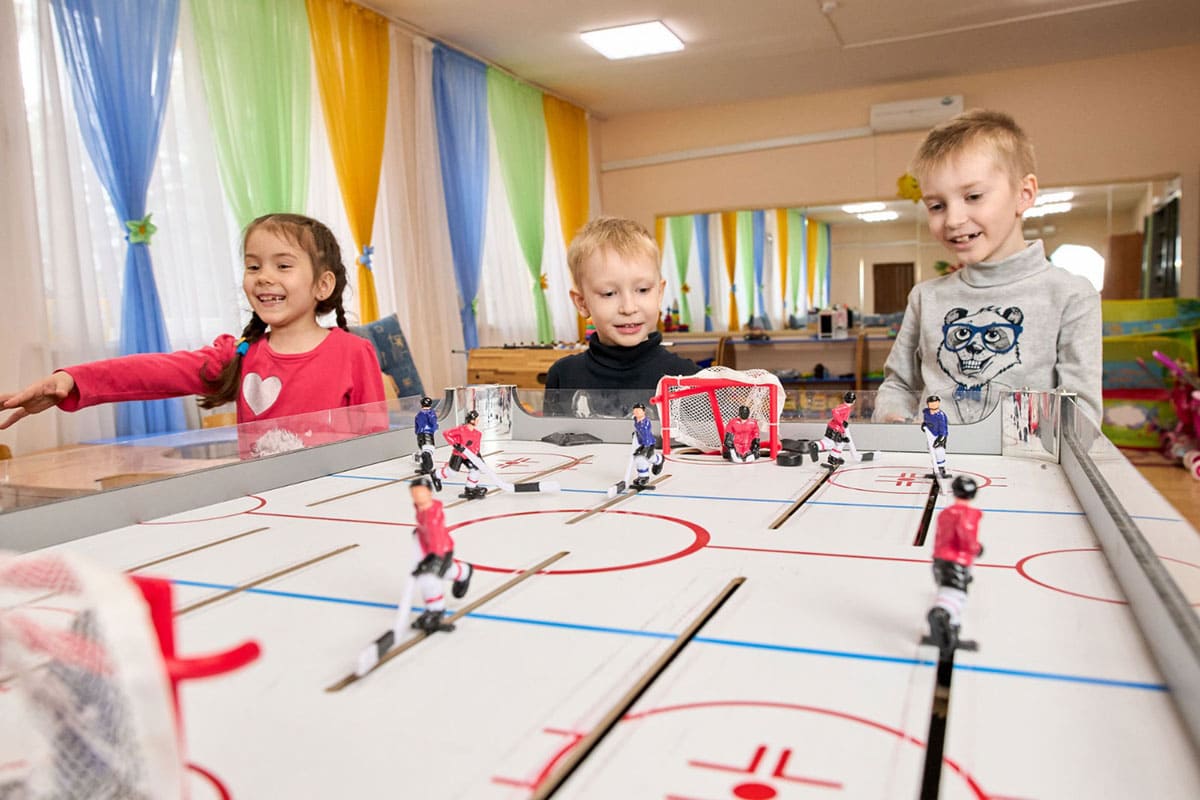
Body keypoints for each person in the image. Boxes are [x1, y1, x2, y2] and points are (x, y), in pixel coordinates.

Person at [0, 214, 386, 456]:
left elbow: (376, 444)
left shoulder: (354, 352)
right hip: (266, 509)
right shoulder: (239, 354)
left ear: (323, 284)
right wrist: (72, 380)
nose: (264, 277)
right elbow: (152, 372)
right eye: (253, 266)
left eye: (282, 265)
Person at [874, 110, 1101, 424]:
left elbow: (1081, 413)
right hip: (933, 453)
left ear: (1024, 195)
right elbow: (898, 385)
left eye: (973, 196)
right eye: (937, 206)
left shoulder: (1071, 295)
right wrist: (893, 420)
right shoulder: (925, 297)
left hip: (1027, 456)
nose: (953, 220)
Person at [544, 217, 699, 417]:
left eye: (642, 290)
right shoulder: (563, 376)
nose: (628, 308)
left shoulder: (688, 379)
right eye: (609, 293)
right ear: (582, 303)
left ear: (659, 293)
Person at [926, 476, 984, 658]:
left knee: (948, 592)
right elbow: (967, 539)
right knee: (956, 596)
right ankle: (940, 614)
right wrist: (977, 548)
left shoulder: (945, 514)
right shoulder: (968, 515)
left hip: (941, 560)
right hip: (957, 562)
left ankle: (950, 633)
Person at [409, 476, 474, 633]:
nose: (417, 495)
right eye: (414, 492)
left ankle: (435, 612)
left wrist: (433, 559)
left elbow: (437, 538)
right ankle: (464, 571)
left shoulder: (432, 516)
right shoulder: (421, 508)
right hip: (429, 548)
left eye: (421, 492)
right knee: (439, 574)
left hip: (440, 551)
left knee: (430, 579)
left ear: (429, 493)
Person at [439, 410, 486, 499]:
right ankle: (436, 475)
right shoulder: (461, 429)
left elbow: (476, 449)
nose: (478, 421)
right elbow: (446, 433)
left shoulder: (478, 434)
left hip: (469, 456)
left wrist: (480, 460)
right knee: (452, 472)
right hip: (458, 454)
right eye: (476, 419)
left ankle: (470, 488)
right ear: (471, 420)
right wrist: (455, 444)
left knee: (475, 470)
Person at [631, 403, 664, 488]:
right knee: (644, 457)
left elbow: (646, 436)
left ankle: (644, 477)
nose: (637, 412)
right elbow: (638, 429)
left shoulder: (645, 424)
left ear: (644, 412)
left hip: (648, 443)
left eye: (639, 411)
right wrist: (636, 433)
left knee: (642, 458)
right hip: (641, 442)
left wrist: (646, 447)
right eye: (635, 410)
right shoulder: (636, 419)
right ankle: (659, 459)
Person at [921, 395, 950, 478]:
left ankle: (941, 468)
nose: (933, 404)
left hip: (938, 436)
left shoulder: (941, 416)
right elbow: (926, 421)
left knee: (939, 451)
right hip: (930, 434)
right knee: (931, 451)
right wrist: (924, 425)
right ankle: (935, 468)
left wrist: (941, 438)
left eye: (935, 402)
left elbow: (943, 429)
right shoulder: (926, 413)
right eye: (931, 403)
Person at [413, 396, 439, 478]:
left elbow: (417, 425)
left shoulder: (419, 414)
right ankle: (426, 466)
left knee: (425, 450)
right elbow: (434, 423)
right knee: (427, 450)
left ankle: (427, 466)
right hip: (427, 434)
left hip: (421, 434)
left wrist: (417, 432)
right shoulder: (431, 413)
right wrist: (435, 428)